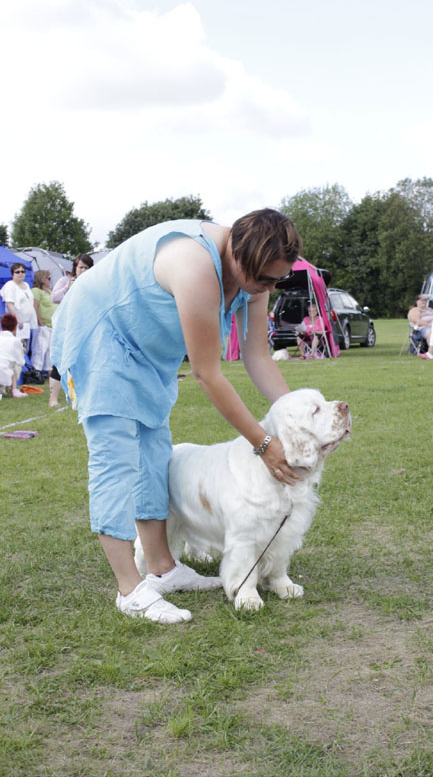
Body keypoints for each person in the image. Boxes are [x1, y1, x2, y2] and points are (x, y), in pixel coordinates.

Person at [52, 210, 303, 624]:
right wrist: (263, 444)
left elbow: (258, 357)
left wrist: (297, 418)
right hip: (101, 333)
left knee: (155, 451)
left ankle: (162, 569)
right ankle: (129, 588)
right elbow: (208, 374)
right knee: (115, 457)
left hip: (149, 348)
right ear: (239, 255)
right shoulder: (194, 264)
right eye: (264, 279)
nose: (268, 289)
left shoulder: (257, 276)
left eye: (277, 280)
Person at [49, 253, 94, 407]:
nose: (83, 270)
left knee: (83, 359)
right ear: (75, 268)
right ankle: (53, 399)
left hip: (83, 325)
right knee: (59, 361)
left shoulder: (92, 284)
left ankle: (82, 396)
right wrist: (69, 287)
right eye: (81, 267)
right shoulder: (64, 281)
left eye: (87, 268)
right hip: (65, 326)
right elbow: (54, 298)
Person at [0, 263, 37, 351]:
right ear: (13, 274)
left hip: (27, 324)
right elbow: (9, 304)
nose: (21, 273)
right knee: (15, 350)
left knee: (24, 349)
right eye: (17, 272)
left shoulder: (27, 285)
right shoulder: (10, 285)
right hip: (16, 325)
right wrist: (17, 319)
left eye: (23, 271)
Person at [31, 270, 56, 377]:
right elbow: (34, 307)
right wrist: (40, 322)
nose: (49, 281)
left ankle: (49, 372)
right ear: (42, 279)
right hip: (43, 325)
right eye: (48, 278)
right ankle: (36, 371)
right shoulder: (36, 290)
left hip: (52, 325)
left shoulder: (49, 291)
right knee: (40, 348)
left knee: (50, 349)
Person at [0, 313, 27, 399]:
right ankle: (14, 390)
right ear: (15, 327)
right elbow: (21, 362)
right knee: (15, 365)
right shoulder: (16, 341)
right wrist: (23, 349)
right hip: (4, 372)